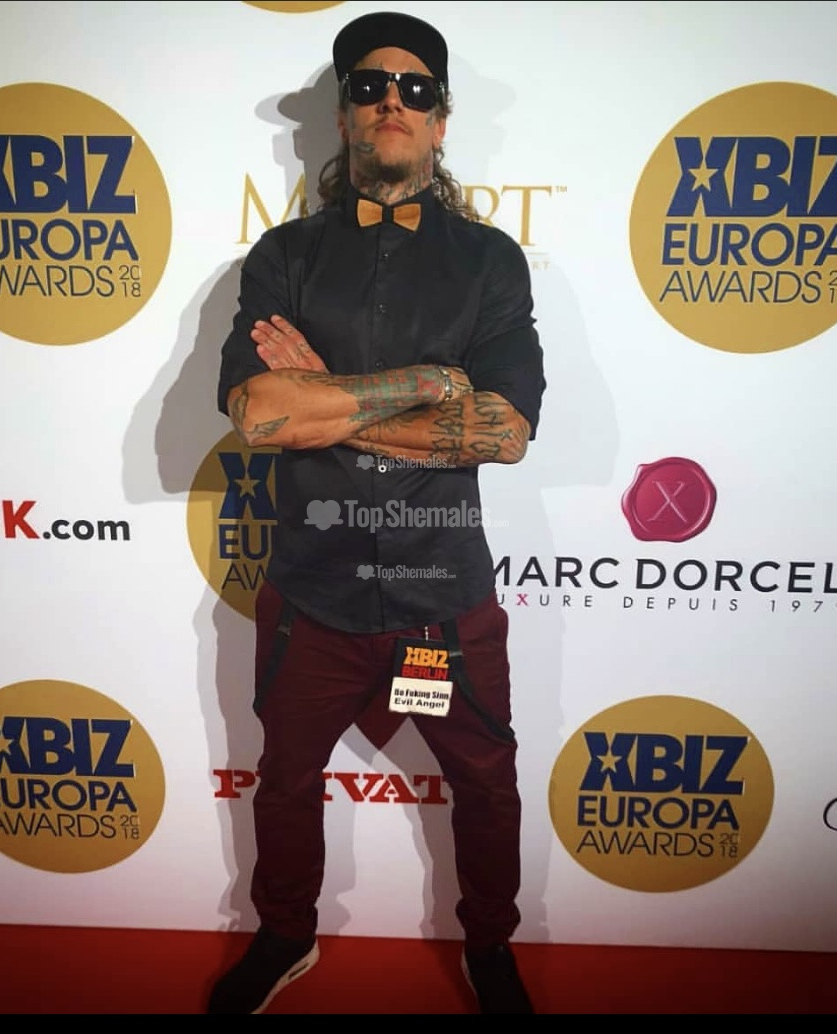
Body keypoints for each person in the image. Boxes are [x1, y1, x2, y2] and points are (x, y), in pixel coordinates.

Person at [209, 10, 545, 1016]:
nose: (390, 100)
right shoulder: (283, 257)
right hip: (312, 597)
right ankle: (286, 932)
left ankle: (490, 942)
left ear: (440, 119)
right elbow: (260, 416)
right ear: (344, 117)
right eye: (367, 85)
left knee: (485, 783)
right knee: (285, 777)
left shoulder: (491, 262)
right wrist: (428, 383)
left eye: (414, 88)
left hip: (442, 601)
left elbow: (505, 432)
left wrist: (330, 398)